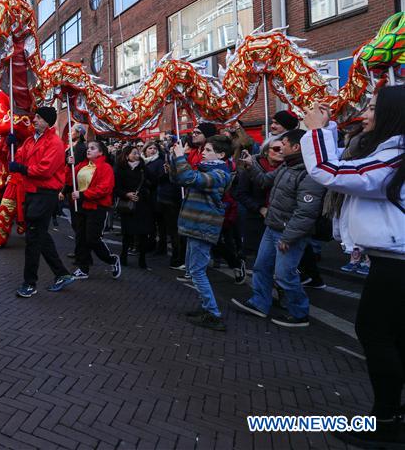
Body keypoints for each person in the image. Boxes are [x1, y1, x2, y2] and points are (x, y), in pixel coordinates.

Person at [299, 88, 405, 448]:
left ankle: (386, 419)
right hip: (391, 261)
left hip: (396, 265)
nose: (365, 112)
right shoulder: (391, 154)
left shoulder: (394, 157)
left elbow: (332, 172)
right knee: (394, 338)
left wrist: (316, 131)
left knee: (375, 334)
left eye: (373, 107)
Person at [232, 129, 326, 327]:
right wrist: (251, 167)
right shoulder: (286, 166)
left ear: (296, 147)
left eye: (283, 143)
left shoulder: (308, 174)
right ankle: (259, 303)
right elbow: (265, 181)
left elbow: (306, 212)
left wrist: (288, 237)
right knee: (261, 267)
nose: (280, 147)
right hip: (272, 227)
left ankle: (299, 313)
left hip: (288, 233)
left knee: (285, 274)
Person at [170, 134, 234, 332]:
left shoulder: (220, 174)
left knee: (197, 271)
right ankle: (206, 307)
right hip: (195, 225)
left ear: (221, 155)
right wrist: (174, 159)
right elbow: (180, 179)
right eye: (204, 149)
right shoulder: (206, 169)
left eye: (208, 150)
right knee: (192, 269)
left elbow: (189, 177)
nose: (203, 153)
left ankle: (213, 314)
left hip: (202, 226)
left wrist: (181, 158)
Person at [9, 106, 74, 297]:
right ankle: (61, 273)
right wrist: (11, 144)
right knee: (39, 235)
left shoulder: (54, 142)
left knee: (33, 238)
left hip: (44, 194)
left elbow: (44, 169)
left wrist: (22, 169)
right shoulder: (31, 139)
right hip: (32, 192)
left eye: (38, 117)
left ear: (47, 121)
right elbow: (19, 156)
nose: (34, 120)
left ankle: (30, 283)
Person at [70, 140, 120, 279]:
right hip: (82, 206)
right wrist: (70, 165)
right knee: (80, 238)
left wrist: (83, 194)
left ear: (100, 152)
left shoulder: (106, 168)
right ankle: (83, 268)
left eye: (92, 148)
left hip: (97, 207)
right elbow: (70, 180)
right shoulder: (82, 165)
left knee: (92, 238)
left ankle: (111, 259)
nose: (88, 150)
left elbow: (104, 188)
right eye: (88, 148)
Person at [114, 145, 155, 269]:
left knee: (143, 233)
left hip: (142, 205)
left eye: (138, 153)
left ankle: (142, 259)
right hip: (128, 206)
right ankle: (124, 256)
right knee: (127, 233)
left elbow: (153, 183)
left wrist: (142, 193)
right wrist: (126, 194)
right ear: (127, 156)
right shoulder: (120, 169)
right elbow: (116, 188)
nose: (137, 155)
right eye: (134, 153)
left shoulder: (143, 169)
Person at [63, 125, 88, 258]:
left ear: (79, 133)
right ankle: (81, 249)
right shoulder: (74, 147)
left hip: (77, 188)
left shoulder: (79, 148)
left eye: (71, 131)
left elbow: (73, 171)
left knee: (77, 222)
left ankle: (81, 251)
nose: (69, 133)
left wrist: (64, 190)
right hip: (73, 187)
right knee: (76, 221)